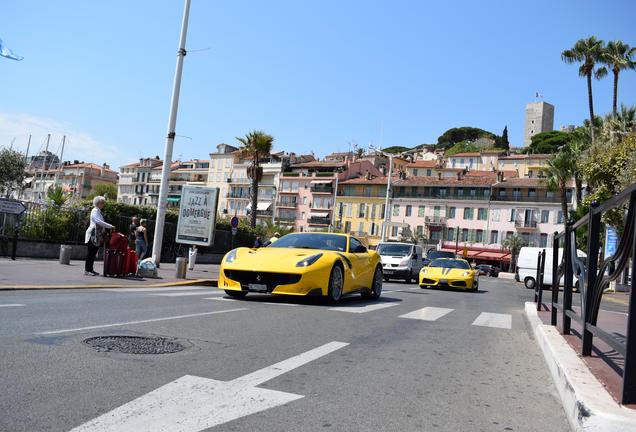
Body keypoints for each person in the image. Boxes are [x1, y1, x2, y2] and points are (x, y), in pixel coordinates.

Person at [84, 195, 114, 276]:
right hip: (93, 234)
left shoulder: (98, 211)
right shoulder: (95, 210)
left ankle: (91, 269)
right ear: (98, 203)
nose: (103, 204)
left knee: (93, 253)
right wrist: (110, 226)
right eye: (102, 203)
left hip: (97, 235)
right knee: (91, 253)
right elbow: (98, 221)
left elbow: (100, 223)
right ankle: (87, 270)